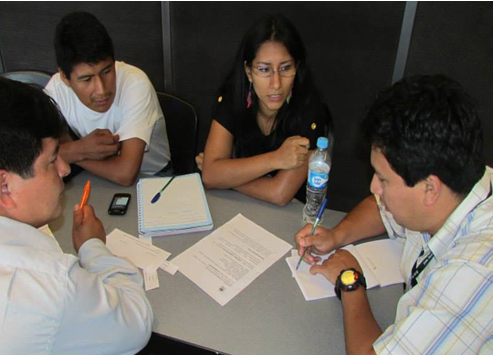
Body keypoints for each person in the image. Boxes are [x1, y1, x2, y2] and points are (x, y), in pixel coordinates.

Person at [0, 74, 153, 354]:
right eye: (52, 160)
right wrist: (93, 247)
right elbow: (136, 321)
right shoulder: (51, 289)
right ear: (4, 187)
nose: (65, 169)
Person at [295, 74, 492, 354]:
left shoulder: (472, 274)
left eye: (383, 180)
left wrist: (350, 282)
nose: (374, 187)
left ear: (430, 189)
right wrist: (336, 235)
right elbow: (380, 207)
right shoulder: (459, 183)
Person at [197, 13, 331, 206]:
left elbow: (279, 194)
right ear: (248, 71)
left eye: (285, 68)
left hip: (293, 215)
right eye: (264, 69)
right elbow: (211, 175)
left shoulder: (310, 110)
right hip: (240, 206)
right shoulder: (233, 96)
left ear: (297, 67)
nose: (276, 84)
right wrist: (276, 159)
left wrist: (227, 179)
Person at [45, 11, 171, 186]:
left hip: (153, 178)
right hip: (94, 176)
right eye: (87, 79)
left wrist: (74, 152)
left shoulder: (135, 82)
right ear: (65, 78)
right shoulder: (55, 89)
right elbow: (34, 156)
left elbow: (125, 174)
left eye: (107, 71)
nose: (101, 90)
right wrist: (81, 149)